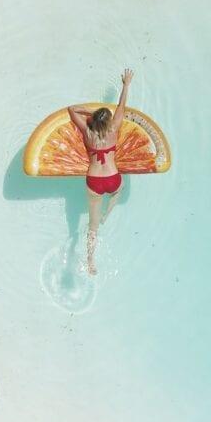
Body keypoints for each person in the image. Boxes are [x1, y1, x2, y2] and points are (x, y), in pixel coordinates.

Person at [68, 68, 134, 275]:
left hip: (94, 181)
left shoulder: (87, 132)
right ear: (108, 122)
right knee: (117, 192)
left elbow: (71, 109)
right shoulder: (114, 129)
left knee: (92, 226)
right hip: (113, 179)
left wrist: (91, 114)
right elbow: (121, 107)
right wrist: (125, 84)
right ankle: (109, 211)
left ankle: (90, 261)